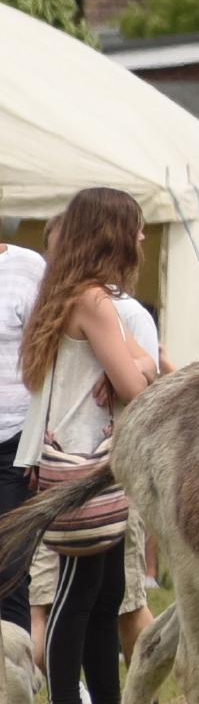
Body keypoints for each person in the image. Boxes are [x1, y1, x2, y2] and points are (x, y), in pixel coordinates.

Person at [15, 189, 157, 704]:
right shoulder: (95, 303)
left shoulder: (68, 294)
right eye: (135, 228)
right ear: (112, 234)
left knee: (102, 593)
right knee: (79, 595)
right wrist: (141, 365)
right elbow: (133, 383)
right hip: (85, 461)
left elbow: (132, 368)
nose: (142, 238)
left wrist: (136, 363)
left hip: (75, 462)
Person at [0, 220, 43, 641]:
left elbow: (49, 353)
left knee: (10, 571)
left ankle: (12, 695)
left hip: (13, 441)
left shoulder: (27, 268)